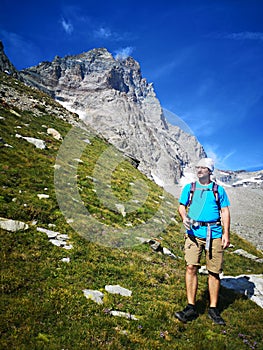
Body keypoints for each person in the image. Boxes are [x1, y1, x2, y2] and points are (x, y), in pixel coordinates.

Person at [175, 158, 230, 325]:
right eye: (198, 167)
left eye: (203, 168)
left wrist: (226, 233)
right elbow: (181, 206)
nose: (199, 170)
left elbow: (225, 211)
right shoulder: (189, 188)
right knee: (191, 267)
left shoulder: (218, 190)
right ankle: (191, 307)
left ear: (210, 171)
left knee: (214, 271)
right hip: (193, 233)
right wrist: (184, 217)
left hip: (214, 234)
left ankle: (213, 309)